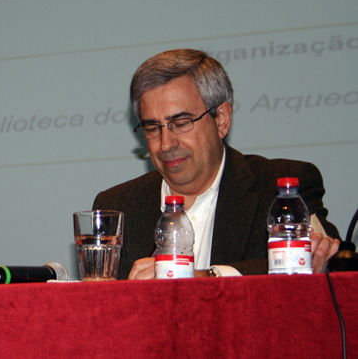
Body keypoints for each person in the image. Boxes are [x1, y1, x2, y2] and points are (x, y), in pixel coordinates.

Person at [93, 49, 340, 279]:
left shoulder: (280, 188)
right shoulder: (118, 205)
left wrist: (208, 278)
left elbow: (333, 264)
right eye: (152, 128)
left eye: (181, 123)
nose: (166, 144)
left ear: (221, 119)